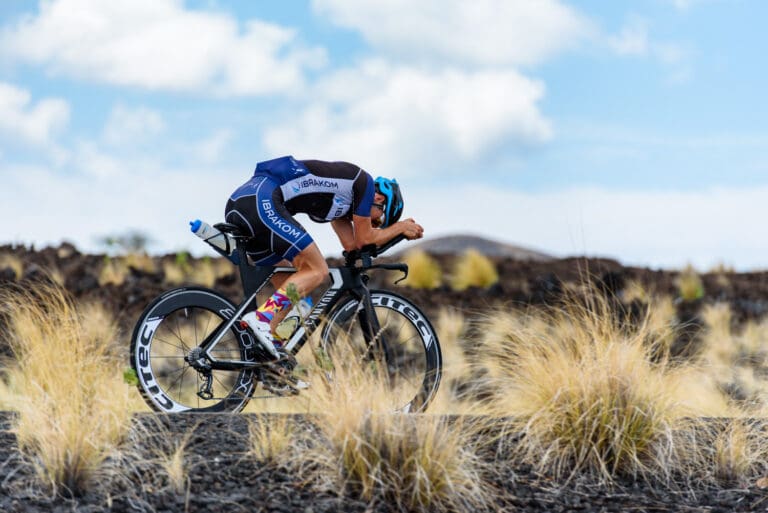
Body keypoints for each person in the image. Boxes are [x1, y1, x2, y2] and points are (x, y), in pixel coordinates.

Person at [224, 155, 424, 360]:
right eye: (378, 221)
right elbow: (365, 239)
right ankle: (263, 318)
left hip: (242, 202)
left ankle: (270, 363)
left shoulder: (341, 206)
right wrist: (399, 227)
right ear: (380, 200)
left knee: (295, 299)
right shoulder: (364, 184)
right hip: (261, 201)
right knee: (317, 270)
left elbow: (352, 245)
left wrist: (389, 236)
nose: (372, 225)